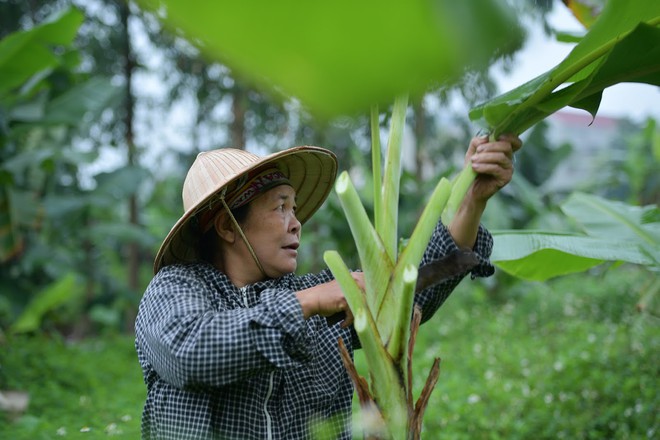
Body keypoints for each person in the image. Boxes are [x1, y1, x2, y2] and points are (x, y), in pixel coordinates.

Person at [135, 134, 522, 440]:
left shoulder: (315, 293)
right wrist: (306, 302)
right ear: (226, 226)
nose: (295, 222)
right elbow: (189, 351)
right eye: (280, 207)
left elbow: (411, 289)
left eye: (295, 208)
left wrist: (472, 201)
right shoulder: (174, 290)